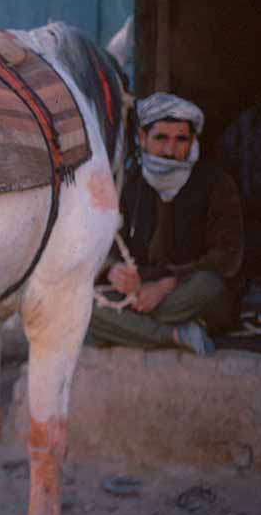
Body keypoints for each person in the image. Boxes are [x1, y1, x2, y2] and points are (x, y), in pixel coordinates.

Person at [89, 92, 244, 355]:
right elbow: (101, 244)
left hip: (188, 292)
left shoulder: (217, 183)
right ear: (142, 138)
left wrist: (165, 285)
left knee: (210, 284)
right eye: (161, 138)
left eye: (181, 139)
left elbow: (227, 258)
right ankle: (175, 335)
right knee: (83, 304)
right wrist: (113, 271)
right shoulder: (128, 185)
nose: (170, 150)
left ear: (193, 141)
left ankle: (128, 329)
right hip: (139, 294)